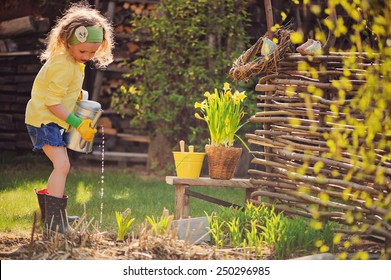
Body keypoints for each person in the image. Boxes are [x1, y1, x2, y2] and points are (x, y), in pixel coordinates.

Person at [25, 2, 114, 234]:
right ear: (67, 42)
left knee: (62, 166)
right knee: (62, 165)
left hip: (52, 119)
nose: (87, 56)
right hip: (44, 121)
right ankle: (55, 222)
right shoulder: (63, 64)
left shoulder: (73, 61)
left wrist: (80, 100)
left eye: (93, 52)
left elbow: (64, 92)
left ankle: (53, 215)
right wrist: (78, 123)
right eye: (83, 51)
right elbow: (52, 102)